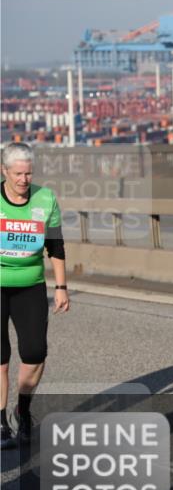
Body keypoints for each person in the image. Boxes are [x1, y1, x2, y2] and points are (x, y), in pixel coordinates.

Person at [1, 142, 69, 448]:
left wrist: (61, 287)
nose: (23, 179)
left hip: (31, 285)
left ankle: (22, 410)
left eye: (28, 173)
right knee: (0, 359)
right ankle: (0, 423)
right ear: (4, 171)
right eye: (17, 174)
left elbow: (55, 245)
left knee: (34, 352)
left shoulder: (45, 199)